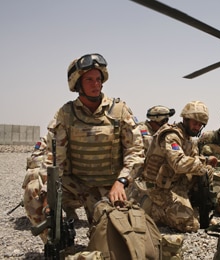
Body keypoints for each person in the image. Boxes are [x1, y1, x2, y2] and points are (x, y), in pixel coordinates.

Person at [23, 53, 145, 242]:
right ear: (77, 83)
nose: (96, 84)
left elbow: (135, 152)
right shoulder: (66, 114)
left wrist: (121, 181)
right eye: (89, 79)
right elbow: (55, 159)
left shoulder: (119, 111)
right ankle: (55, 241)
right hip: (75, 185)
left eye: (98, 79)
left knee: (115, 242)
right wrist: (49, 196)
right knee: (34, 184)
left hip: (109, 188)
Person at [139, 101, 217, 232]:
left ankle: (195, 207)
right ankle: (152, 209)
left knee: (206, 172)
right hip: (158, 189)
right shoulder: (171, 135)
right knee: (191, 225)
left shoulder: (189, 139)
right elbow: (179, 163)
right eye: (195, 123)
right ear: (185, 119)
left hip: (176, 184)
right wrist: (205, 161)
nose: (197, 127)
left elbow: (193, 162)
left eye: (200, 125)